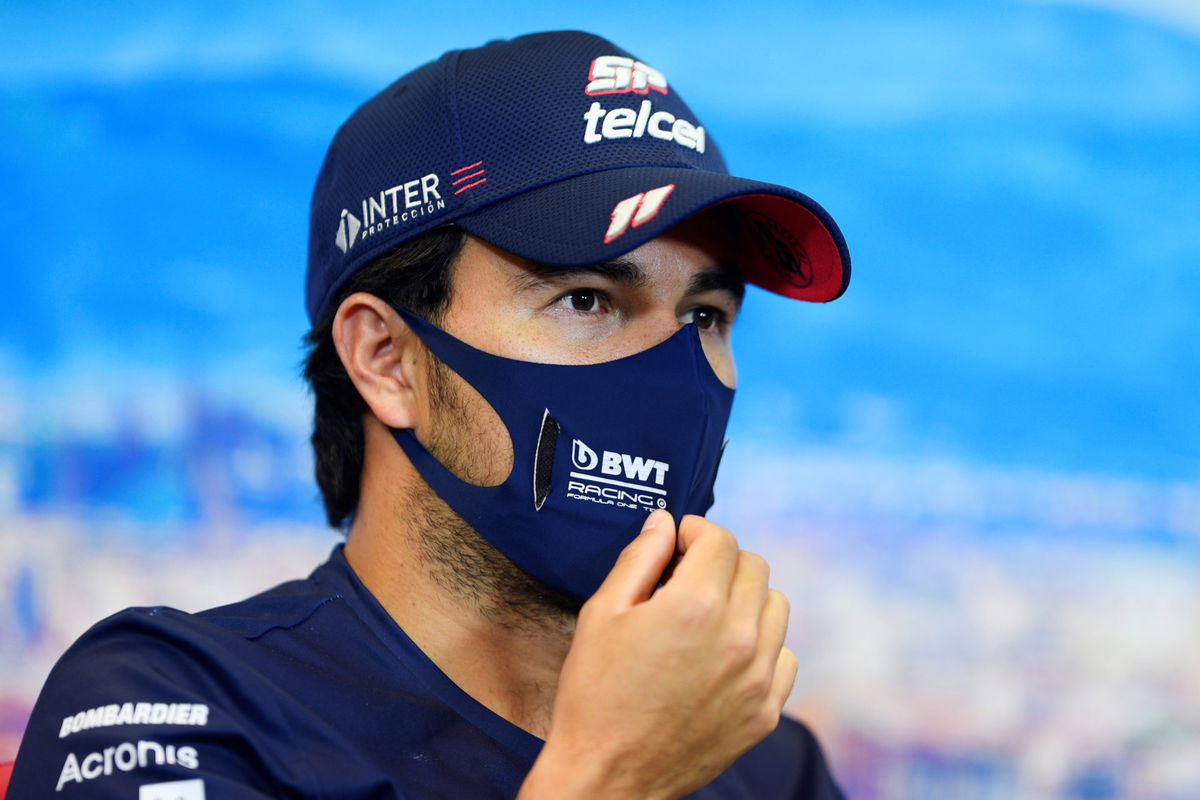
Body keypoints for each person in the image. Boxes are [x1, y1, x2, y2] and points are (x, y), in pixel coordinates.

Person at [9, 30, 851, 799]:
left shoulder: (765, 766)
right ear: (386, 359)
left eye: (706, 316)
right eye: (587, 298)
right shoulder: (178, 714)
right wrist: (613, 780)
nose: (672, 379)